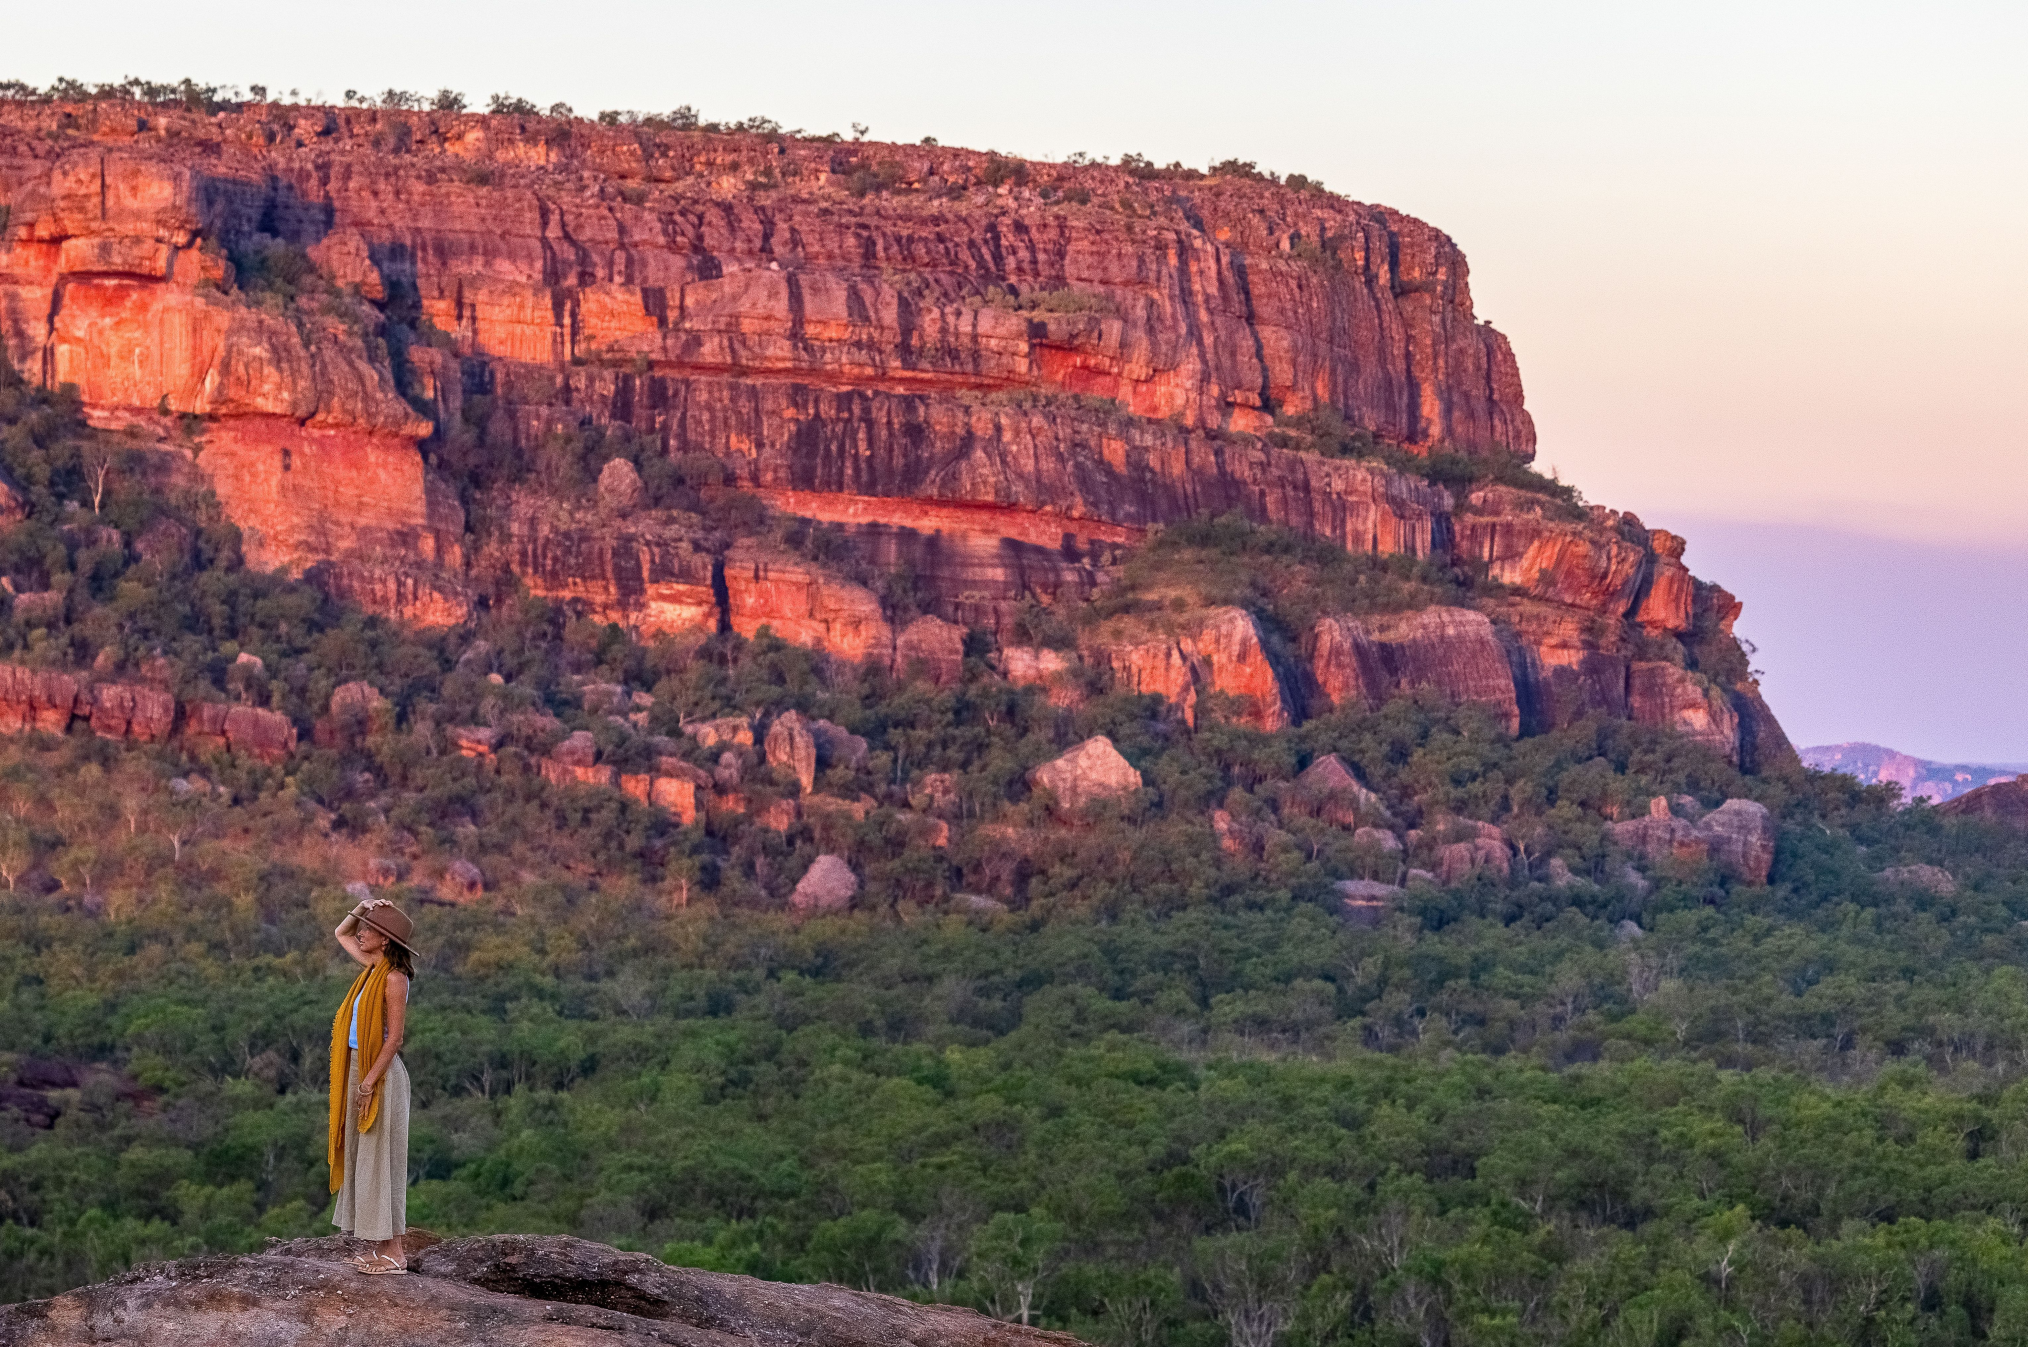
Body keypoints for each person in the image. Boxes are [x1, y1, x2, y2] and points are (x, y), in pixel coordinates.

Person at [329, 895, 416, 1274]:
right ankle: (381, 1246)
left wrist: (368, 1081)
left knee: (381, 1158)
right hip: (357, 1068)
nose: (361, 934)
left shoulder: (394, 979)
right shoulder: (371, 967)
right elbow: (340, 932)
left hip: (377, 1074)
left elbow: (394, 1038)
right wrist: (363, 907)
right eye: (365, 928)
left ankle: (395, 1252)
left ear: (385, 941)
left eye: (370, 930)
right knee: (364, 1158)